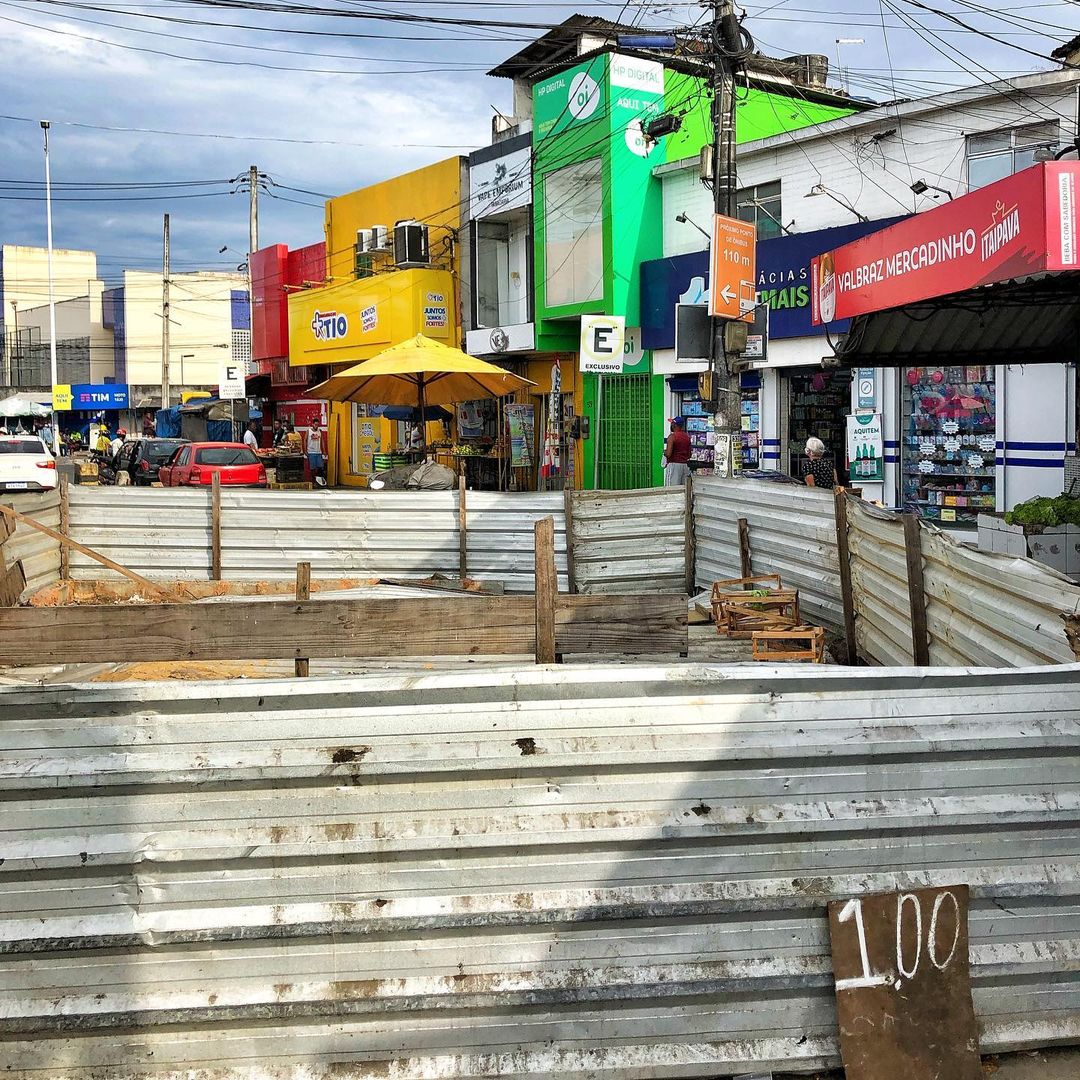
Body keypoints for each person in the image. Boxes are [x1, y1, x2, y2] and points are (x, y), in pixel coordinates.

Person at [663, 416, 692, 487]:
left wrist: (664, 452)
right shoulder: (687, 437)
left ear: (674, 425)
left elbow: (669, 454)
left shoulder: (672, 437)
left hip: (674, 466)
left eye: (672, 423)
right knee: (683, 490)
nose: (671, 425)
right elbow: (689, 455)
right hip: (685, 466)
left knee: (670, 489)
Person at [306, 420, 325, 485]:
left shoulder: (320, 432)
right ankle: (313, 481)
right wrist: (305, 450)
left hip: (318, 452)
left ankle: (319, 481)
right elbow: (305, 440)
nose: (316, 426)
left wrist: (324, 451)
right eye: (315, 424)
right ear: (312, 424)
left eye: (317, 425)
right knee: (313, 468)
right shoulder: (309, 431)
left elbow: (322, 441)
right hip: (311, 452)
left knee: (320, 467)